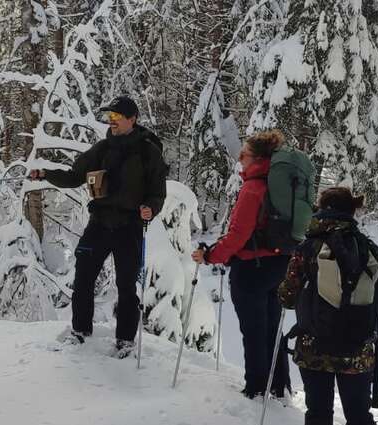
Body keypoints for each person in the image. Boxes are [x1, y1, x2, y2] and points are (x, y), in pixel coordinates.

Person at [278, 187, 378, 425]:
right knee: (358, 410)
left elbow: (286, 297)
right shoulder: (369, 249)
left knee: (318, 408)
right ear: (352, 211)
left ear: (321, 209)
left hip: (314, 347)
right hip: (358, 350)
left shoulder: (307, 248)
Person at [29, 96, 167, 357]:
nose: (111, 122)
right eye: (109, 117)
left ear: (132, 119)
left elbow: (158, 193)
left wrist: (151, 208)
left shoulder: (149, 151)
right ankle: (80, 331)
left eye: (116, 117)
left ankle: (125, 341)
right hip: (100, 223)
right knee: (83, 276)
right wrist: (45, 174)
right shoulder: (102, 149)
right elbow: (73, 177)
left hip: (130, 227)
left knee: (127, 285)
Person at [192, 130, 292, 399]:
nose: (239, 158)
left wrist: (210, 256)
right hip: (280, 264)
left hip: (252, 269)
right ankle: (279, 386)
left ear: (257, 158)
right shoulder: (281, 185)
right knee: (273, 328)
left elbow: (238, 235)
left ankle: (256, 389)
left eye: (244, 154)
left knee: (254, 329)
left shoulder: (253, 188)